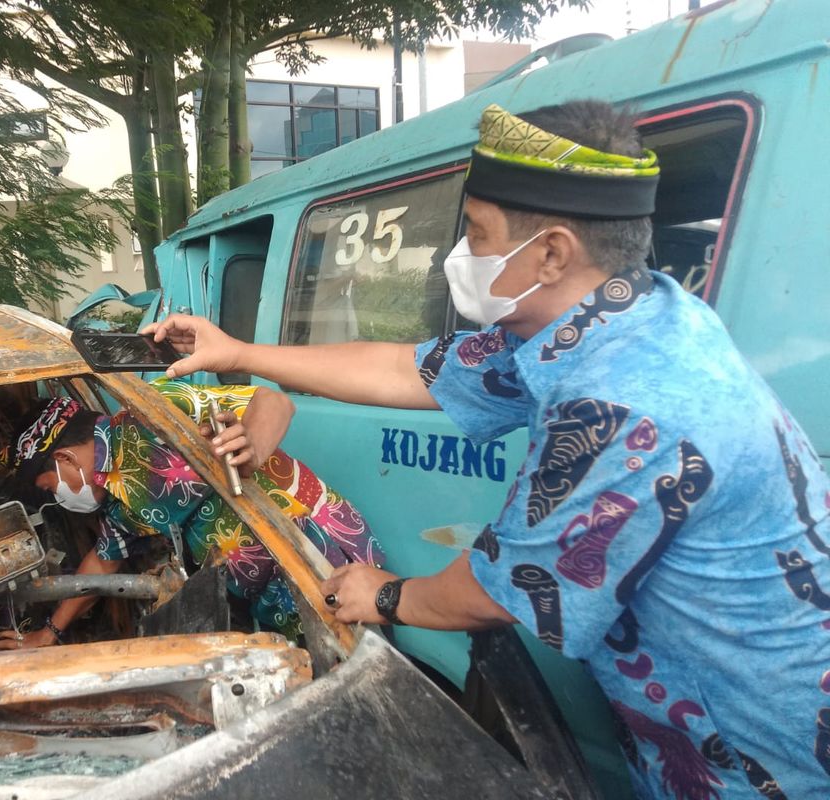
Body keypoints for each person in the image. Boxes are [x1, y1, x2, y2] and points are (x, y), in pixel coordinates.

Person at [144, 101, 830, 798]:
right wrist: (238, 351)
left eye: (476, 233)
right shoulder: (620, 315)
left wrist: (385, 594)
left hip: (762, 756)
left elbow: (497, 591)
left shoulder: (625, 402)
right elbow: (407, 368)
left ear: (552, 251)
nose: (460, 256)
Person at [0, 378, 384, 650]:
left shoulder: (154, 411)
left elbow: (275, 403)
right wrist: (49, 633)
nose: (58, 497)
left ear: (63, 458)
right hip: (273, 595)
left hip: (318, 550)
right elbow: (104, 564)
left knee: (368, 670)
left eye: (50, 486)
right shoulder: (116, 497)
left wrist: (250, 456)